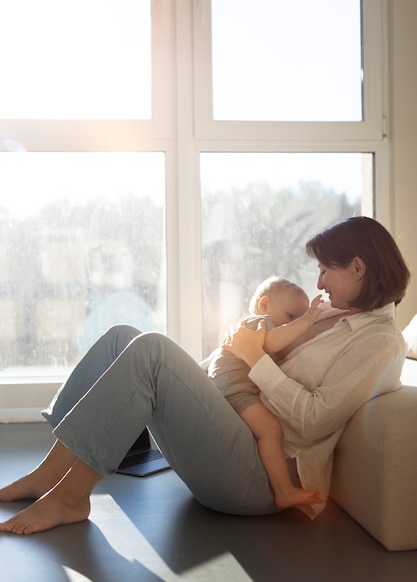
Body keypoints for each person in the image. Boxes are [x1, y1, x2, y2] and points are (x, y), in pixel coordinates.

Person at [0, 216, 410, 536]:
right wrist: (210, 372)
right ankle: (49, 474)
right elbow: (255, 359)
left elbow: (315, 417)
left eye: (326, 270)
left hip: (261, 475)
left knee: (150, 350)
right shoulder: (336, 314)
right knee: (121, 339)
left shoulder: (380, 342)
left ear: (358, 267)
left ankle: (72, 499)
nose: (319, 281)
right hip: (233, 430)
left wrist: (255, 358)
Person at [204, 276, 324, 509]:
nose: (293, 325)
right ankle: (284, 490)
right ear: (265, 305)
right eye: (291, 317)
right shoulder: (260, 323)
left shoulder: (250, 325)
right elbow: (271, 343)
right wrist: (308, 319)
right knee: (270, 429)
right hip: (235, 390)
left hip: (231, 387)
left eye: (298, 318)